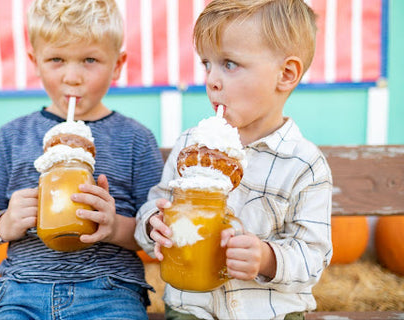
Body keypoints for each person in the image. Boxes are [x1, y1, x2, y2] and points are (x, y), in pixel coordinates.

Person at [135, 0, 333, 319]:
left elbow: (314, 255)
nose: (212, 79)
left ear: (285, 74)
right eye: (206, 64)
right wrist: (152, 225)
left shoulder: (304, 165)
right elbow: (156, 204)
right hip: (191, 309)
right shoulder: (191, 146)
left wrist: (267, 258)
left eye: (229, 64)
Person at [0, 0, 163, 319]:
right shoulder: (12, 136)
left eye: (90, 60)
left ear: (117, 64)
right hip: (23, 289)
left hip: (110, 290)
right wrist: (5, 223)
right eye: (56, 59)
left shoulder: (135, 139)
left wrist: (113, 227)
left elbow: (153, 232)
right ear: (35, 61)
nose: (73, 77)